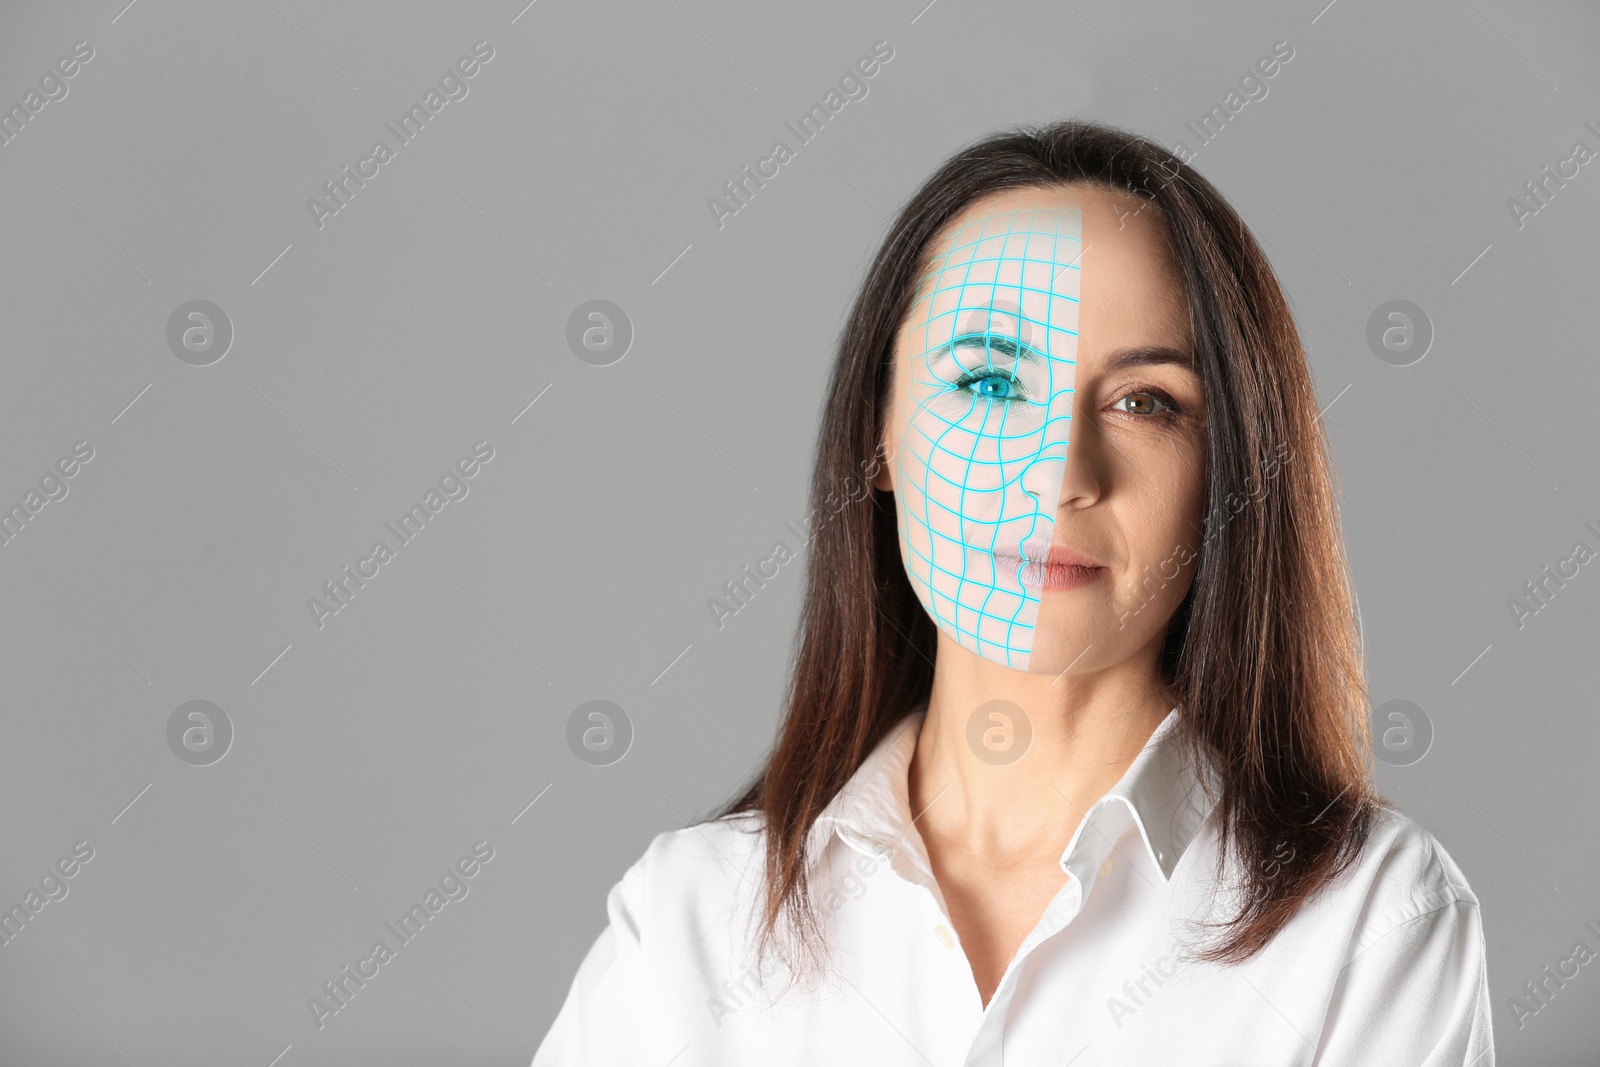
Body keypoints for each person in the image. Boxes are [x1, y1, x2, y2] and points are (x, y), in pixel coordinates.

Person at [531, 119, 1494, 1066]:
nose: (1057, 471)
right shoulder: (691, 920)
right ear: (880, 435)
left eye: (1145, 401)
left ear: (1231, 471)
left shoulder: (1371, 921)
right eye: (990, 383)